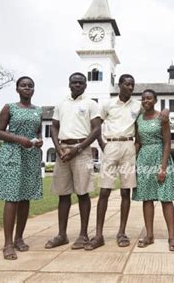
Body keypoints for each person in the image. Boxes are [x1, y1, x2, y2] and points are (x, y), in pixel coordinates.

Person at [84, 74, 141, 250]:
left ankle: (122, 232)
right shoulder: (108, 104)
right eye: (126, 84)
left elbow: (139, 127)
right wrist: (103, 145)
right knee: (104, 191)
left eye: (132, 85)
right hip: (111, 145)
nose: (130, 88)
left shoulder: (137, 105)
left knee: (126, 192)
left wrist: (136, 147)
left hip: (128, 146)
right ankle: (99, 234)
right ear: (119, 86)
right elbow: (97, 125)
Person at [44, 72, 101, 250]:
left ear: (85, 86)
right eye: (74, 82)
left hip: (81, 150)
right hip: (63, 150)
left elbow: (96, 129)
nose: (77, 85)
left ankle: (83, 235)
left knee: (83, 193)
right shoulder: (61, 104)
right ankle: (62, 235)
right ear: (69, 84)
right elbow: (54, 127)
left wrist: (78, 148)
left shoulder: (91, 104)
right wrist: (58, 147)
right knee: (63, 194)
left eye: (80, 83)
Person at [0, 76, 43, 260]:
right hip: (13, 153)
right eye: (24, 85)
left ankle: (20, 238)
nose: (27, 88)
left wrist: (39, 141)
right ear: (18, 89)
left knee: (25, 197)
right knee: (12, 197)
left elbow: (37, 132)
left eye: (30, 85)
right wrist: (20, 139)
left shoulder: (38, 110)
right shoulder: (9, 107)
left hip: (31, 155)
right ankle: (8, 243)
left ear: (34, 89)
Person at [132, 89, 174, 252]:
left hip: (160, 156)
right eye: (143, 98)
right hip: (144, 158)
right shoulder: (138, 118)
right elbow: (138, 142)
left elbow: (167, 143)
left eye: (149, 98)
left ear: (155, 100)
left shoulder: (162, 117)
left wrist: (163, 166)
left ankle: (172, 237)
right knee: (147, 199)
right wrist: (135, 162)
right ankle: (149, 235)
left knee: (166, 198)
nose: (146, 101)